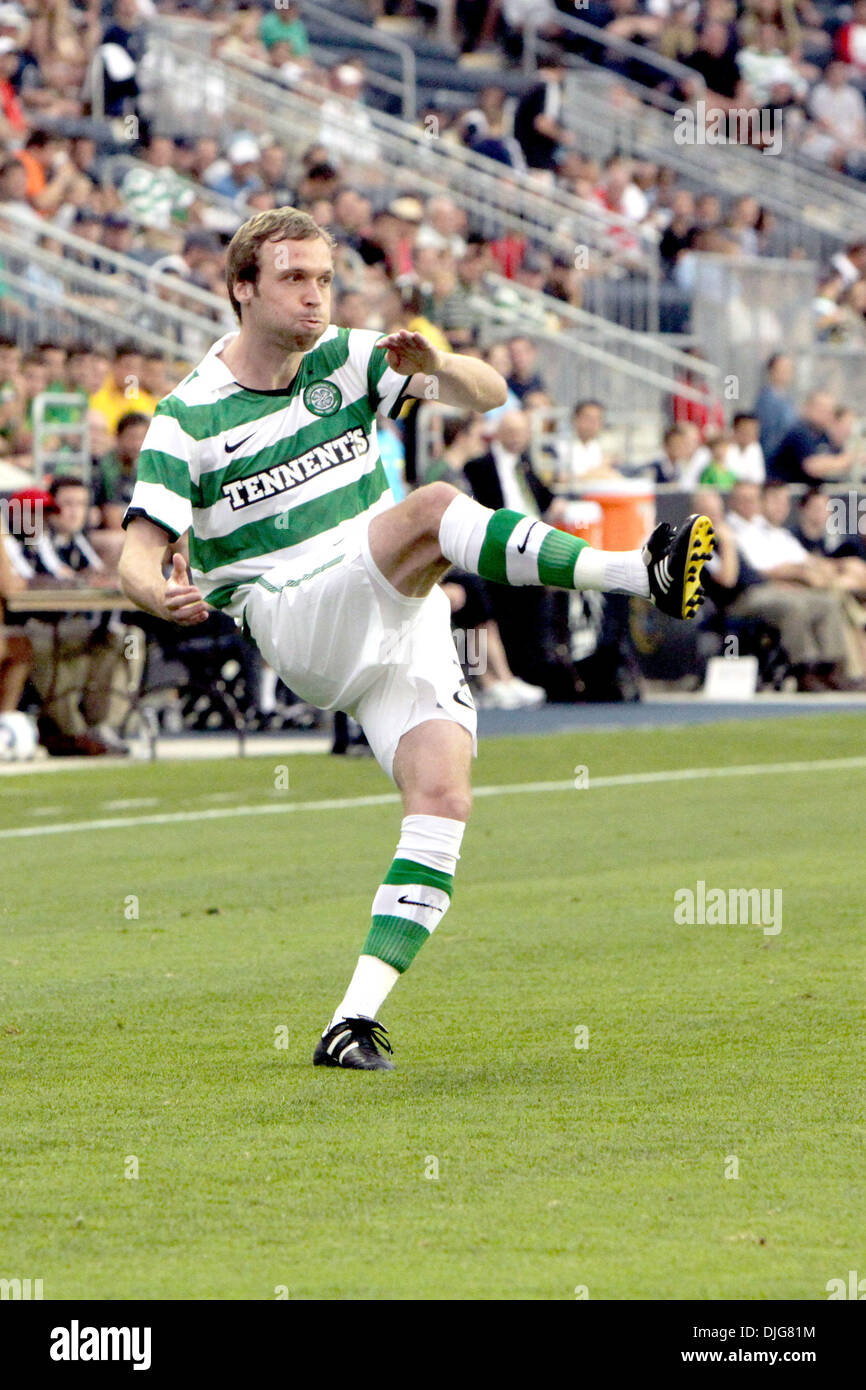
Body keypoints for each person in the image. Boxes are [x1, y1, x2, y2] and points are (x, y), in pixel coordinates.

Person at [118, 207, 715, 1071]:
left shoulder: (351, 357)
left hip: (396, 612)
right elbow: (136, 555)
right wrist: (156, 592)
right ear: (241, 288)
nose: (316, 296)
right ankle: (640, 575)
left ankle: (350, 1022)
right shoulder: (187, 416)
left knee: (442, 804)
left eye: (324, 278)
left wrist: (441, 367)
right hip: (297, 614)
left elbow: (490, 394)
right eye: (293, 279)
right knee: (435, 509)